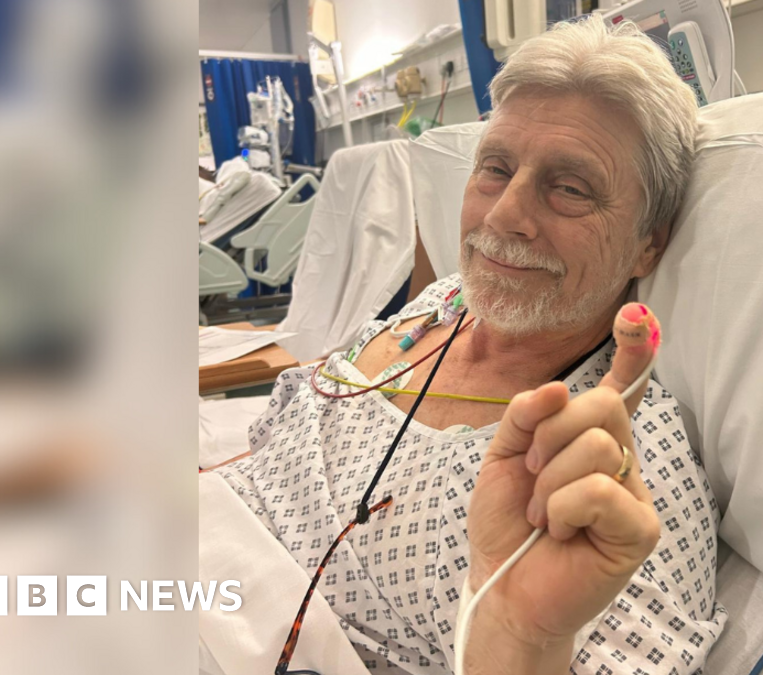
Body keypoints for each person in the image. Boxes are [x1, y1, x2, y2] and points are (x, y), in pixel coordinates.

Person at [211, 18, 722, 674]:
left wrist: (519, 641)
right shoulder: (442, 304)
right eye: (496, 168)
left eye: (570, 188)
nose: (504, 214)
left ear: (650, 240)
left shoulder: (609, 473)